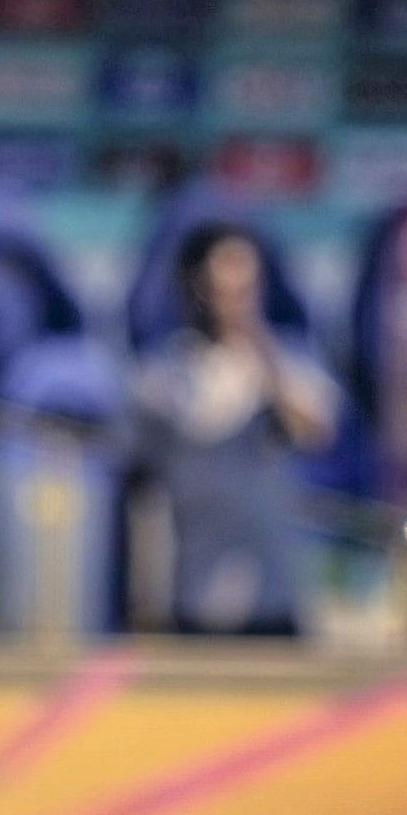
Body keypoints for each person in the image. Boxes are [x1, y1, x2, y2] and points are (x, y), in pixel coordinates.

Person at [127, 223, 337, 638]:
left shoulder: (287, 364)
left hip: (272, 595)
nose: (231, 300)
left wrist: (259, 344)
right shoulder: (164, 373)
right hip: (191, 595)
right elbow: (141, 489)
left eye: (246, 287)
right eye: (218, 285)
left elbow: (313, 430)